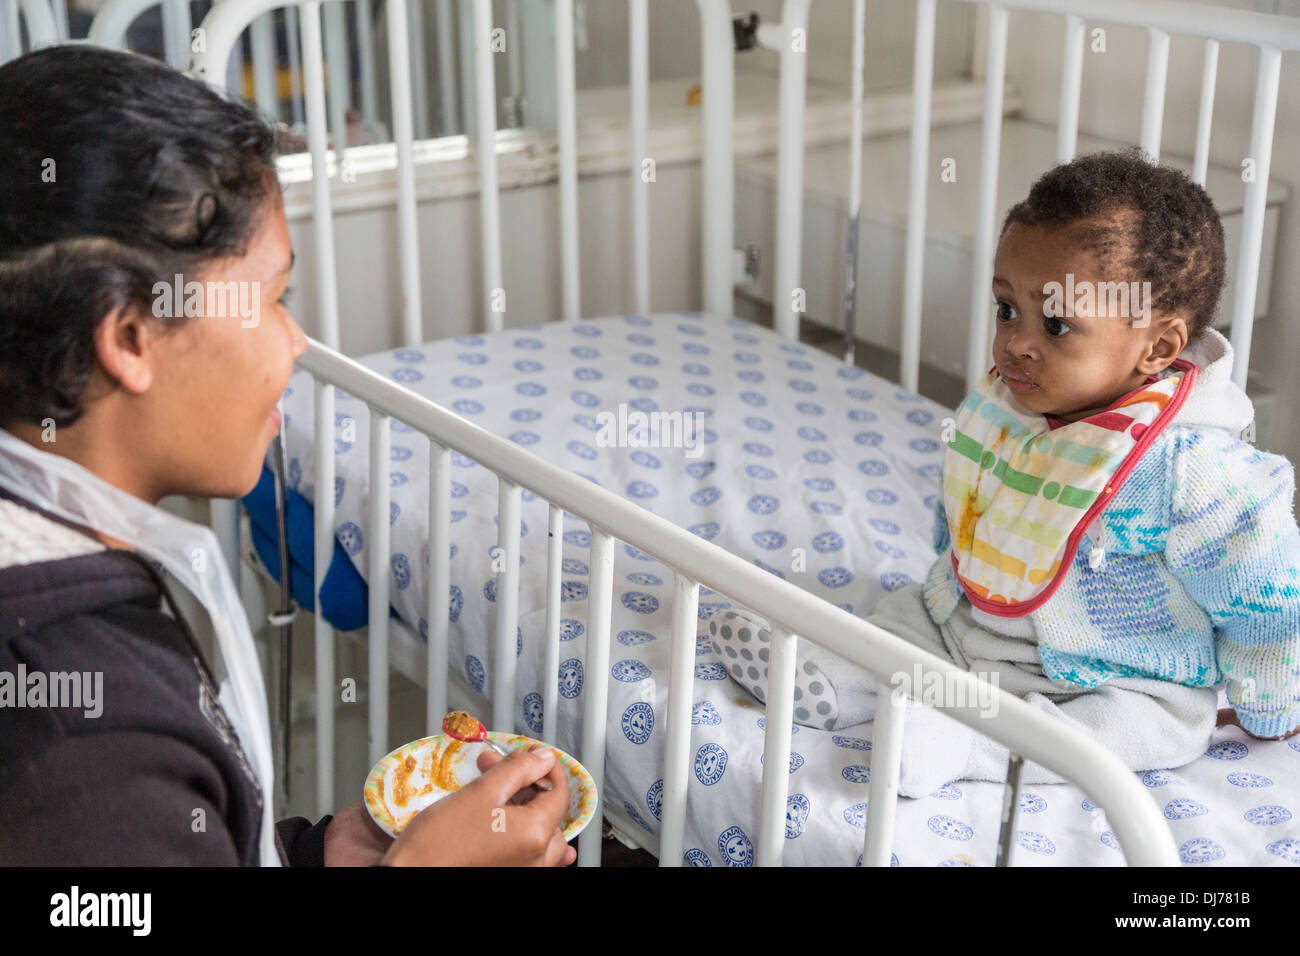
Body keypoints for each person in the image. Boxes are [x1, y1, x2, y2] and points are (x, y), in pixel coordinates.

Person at [0, 44, 574, 866]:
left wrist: (318, 854)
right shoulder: (80, 735)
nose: (296, 343)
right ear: (131, 337)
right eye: (274, 300)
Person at [710, 150, 1300, 797]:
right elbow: (970, 501)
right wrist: (955, 572)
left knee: (1127, 731)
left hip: (1115, 675)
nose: (1017, 341)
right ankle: (833, 675)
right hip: (972, 623)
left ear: (1156, 347)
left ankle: (970, 746)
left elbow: (1266, 599)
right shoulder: (1015, 403)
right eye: (1006, 308)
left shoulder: (1198, 472)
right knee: (909, 621)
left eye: (1055, 323)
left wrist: (1272, 701)